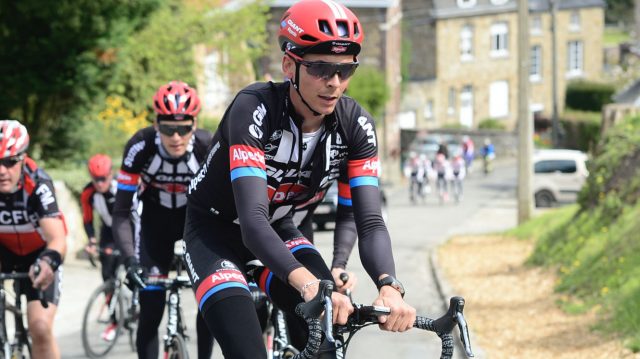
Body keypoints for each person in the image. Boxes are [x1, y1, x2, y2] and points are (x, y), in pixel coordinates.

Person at [183, 1, 416, 357]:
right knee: (248, 351)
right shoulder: (254, 107)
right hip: (214, 233)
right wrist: (308, 284)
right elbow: (252, 221)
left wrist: (390, 286)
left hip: (280, 229)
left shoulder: (356, 124)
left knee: (324, 341)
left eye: (345, 70)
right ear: (289, 65)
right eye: (321, 68)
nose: (334, 83)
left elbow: (368, 220)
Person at [112, 81, 214, 359]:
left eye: (184, 128)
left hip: (195, 223)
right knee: (151, 308)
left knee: (210, 302)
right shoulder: (140, 146)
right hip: (155, 224)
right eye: (168, 127)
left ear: (195, 124)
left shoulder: (208, 146)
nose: (176, 136)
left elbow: (228, 206)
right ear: (156, 124)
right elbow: (121, 211)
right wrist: (130, 259)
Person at [0, 120, 66, 359]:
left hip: (38, 255)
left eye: (9, 161)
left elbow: (57, 239)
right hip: (4, 252)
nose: (1, 170)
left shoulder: (38, 185)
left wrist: (48, 263)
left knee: (39, 327)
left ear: (23, 158)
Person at [80, 153, 120, 341]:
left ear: (110, 174)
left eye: (103, 178)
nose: (100, 183)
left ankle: (137, 305)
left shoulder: (121, 187)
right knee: (107, 275)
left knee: (134, 266)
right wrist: (91, 241)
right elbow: (87, 219)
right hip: (108, 231)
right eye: (96, 179)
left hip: (129, 227)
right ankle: (113, 320)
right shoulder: (88, 193)